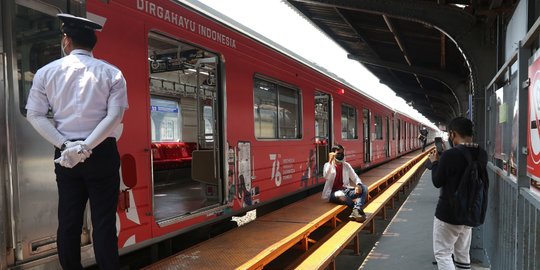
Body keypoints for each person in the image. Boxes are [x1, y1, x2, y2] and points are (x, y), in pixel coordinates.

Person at [25, 14, 128, 270]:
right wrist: (88, 146)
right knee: (104, 223)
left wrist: (66, 145)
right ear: (92, 44)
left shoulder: (45, 73)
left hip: (66, 156)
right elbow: (114, 116)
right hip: (102, 153)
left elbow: (34, 115)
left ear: (66, 41)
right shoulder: (113, 73)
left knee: (69, 221)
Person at [426, 117, 488, 270]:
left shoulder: (449, 155)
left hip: (448, 213)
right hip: (470, 212)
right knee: (462, 254)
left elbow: (437, 181)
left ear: (453, 134)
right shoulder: (482, 154)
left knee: (443, 254)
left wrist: (435, 162)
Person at [321, 145, 368, 222]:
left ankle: (357, 209)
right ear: (333, 154)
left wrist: (358, 185)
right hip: (333, 194)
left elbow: (355, 177)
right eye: (338, 153)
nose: (340, 155)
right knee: (340, 194)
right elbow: (326, 175)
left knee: (364, 187)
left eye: (342, 153)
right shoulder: (327, 165)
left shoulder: (346, 165)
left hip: (346, 191)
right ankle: (356, 209)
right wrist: (330, 160)